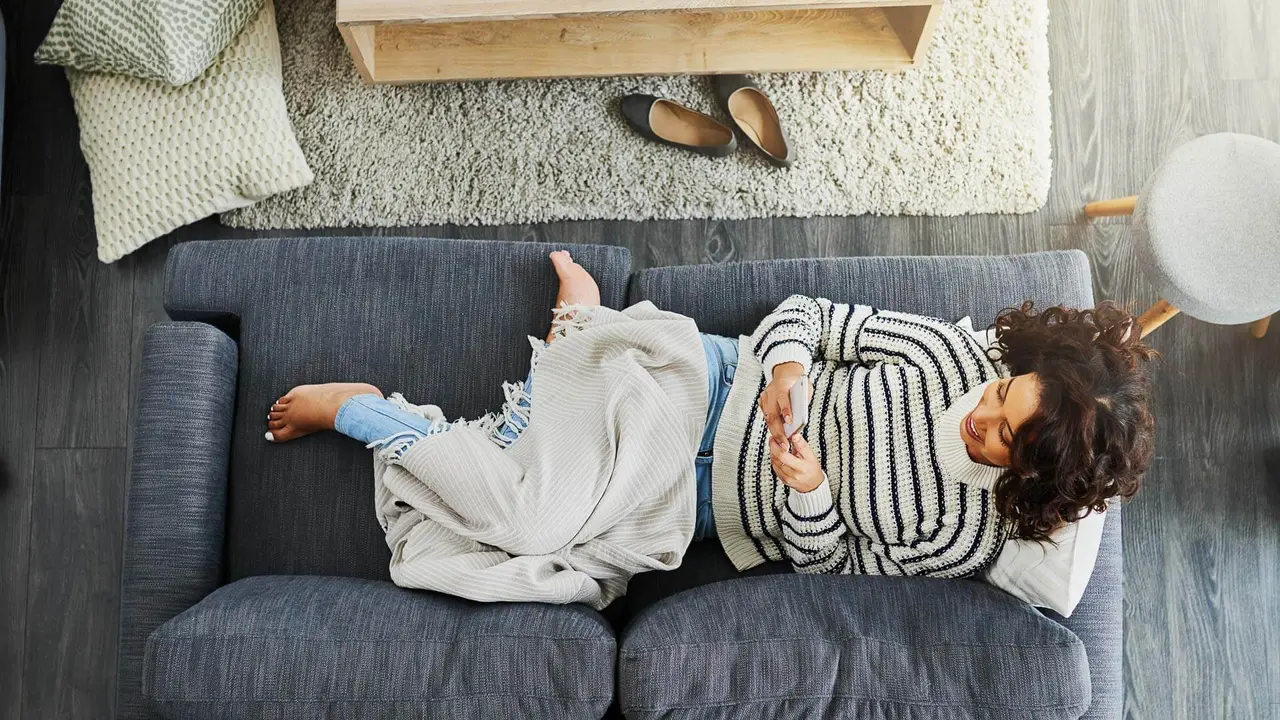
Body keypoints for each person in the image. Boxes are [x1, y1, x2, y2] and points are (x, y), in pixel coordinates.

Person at [265, 250, 1156, 580]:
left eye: (1002, 436)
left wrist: (808, 493)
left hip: (693, 508)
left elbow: (830, 562)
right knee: (531, 511)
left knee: (529, 540)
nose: (980, 417)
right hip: (709, 385)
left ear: (1029, 475)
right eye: (1002, 396)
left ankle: (573, 328)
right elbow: (808, 313)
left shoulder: (964, 537)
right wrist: (790, 367)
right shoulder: (953, 357)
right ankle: (369, 416)